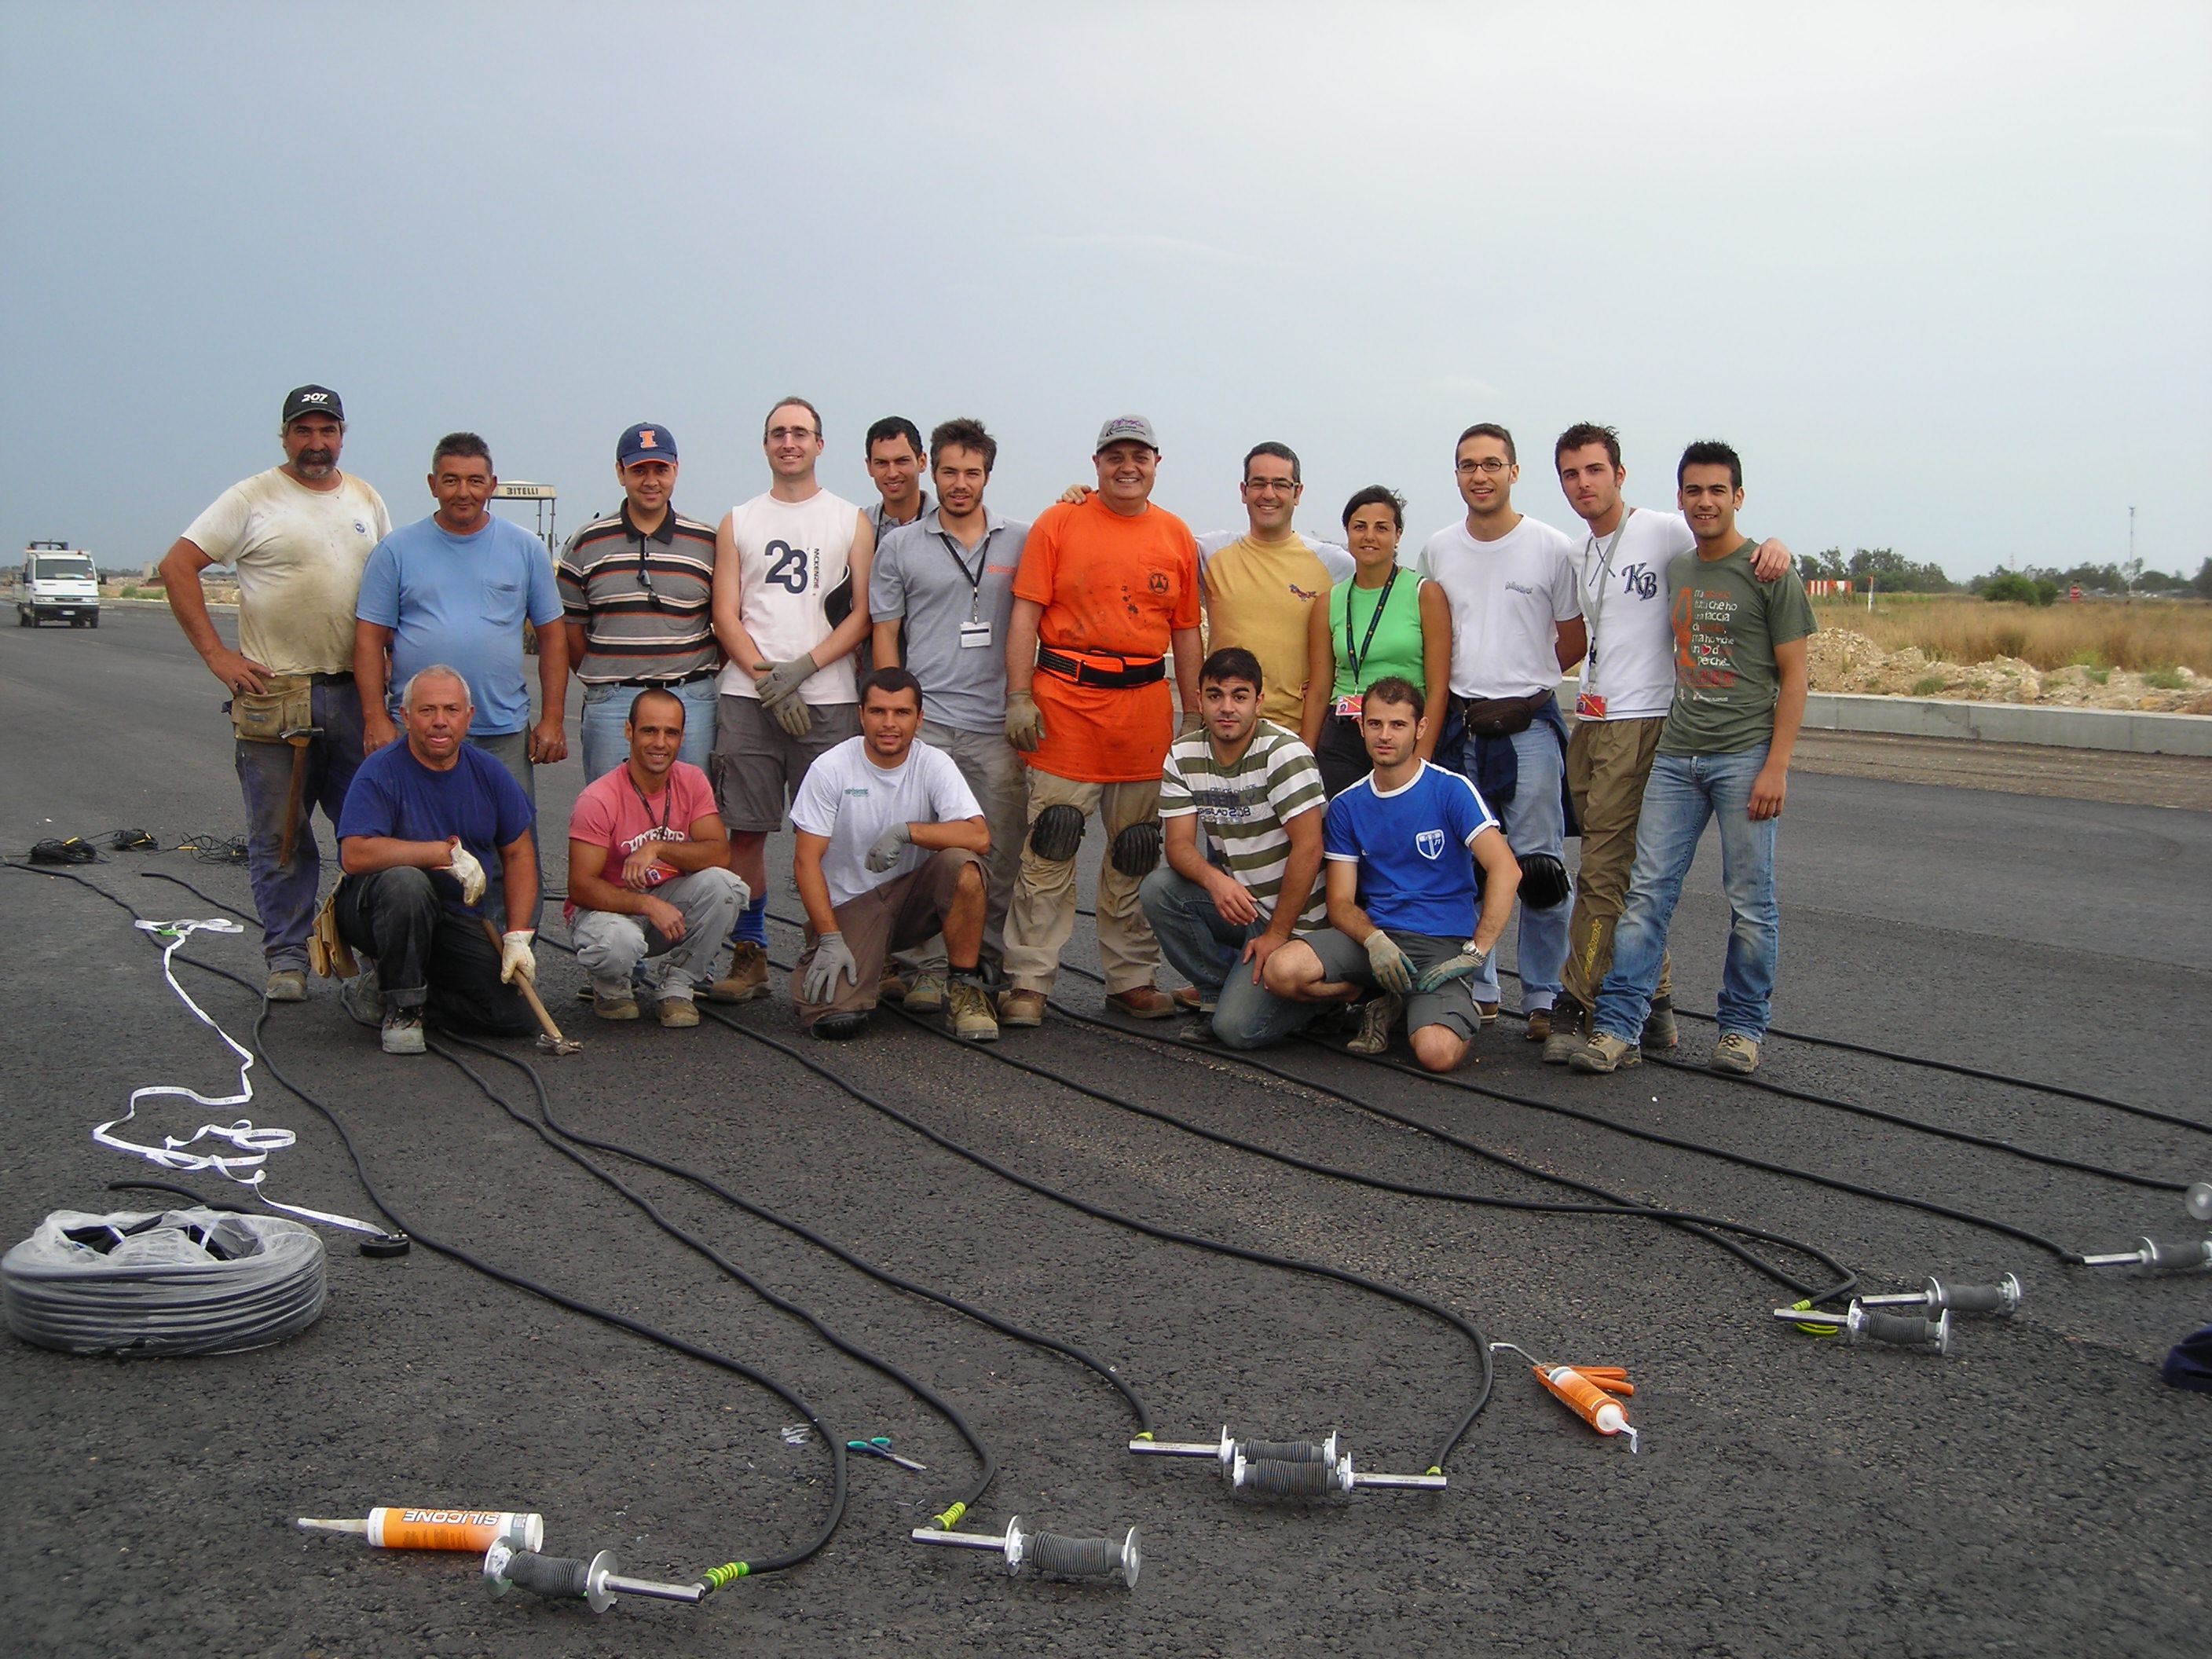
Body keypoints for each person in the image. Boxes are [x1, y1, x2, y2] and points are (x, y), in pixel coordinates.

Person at [1545, 423, 1793, 1063]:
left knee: (1603, 876)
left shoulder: (1663, 530)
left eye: (1594, 470)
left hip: (1654, 723)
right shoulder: (1576, 554)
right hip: (1594, 723)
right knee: (1638, 882)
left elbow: (1730, 548)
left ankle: (1581, 1003)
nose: (1583, 484)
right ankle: (1652, 1007)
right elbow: (1577, 640)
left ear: (1620, 475)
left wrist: (1778, 546)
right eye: (1570, 474)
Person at [160, 384, 393, 1002]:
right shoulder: (252, 497)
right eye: (303, 431)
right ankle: (287, 958)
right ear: (285, 436)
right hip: (276, 695)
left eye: (327, 431)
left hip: (354, 694)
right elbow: (177, 566)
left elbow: (388, 588)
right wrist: (217, 655)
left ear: (342, 434)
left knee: (370, 834)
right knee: (282, 837)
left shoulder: (365, 498)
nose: (316, 444)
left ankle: (378, 951)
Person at [999, 416, 1203, 1026]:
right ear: (1097, 463)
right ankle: (1029, 980)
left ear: (1156, 462)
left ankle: (1130, 978)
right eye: (1115, 455)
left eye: (1139, 455)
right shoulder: (1059, 522)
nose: (1127, 466)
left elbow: (1187, 631)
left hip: (1142, 712)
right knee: (1052, 839)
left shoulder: (1175, 534)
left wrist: (1190, 713)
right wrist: (1018, 696)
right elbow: (1025, 617)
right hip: (1064, 704)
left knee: (1137, 849)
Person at [1416, 422, 1585, 1040]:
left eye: (1492, 464)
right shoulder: (1438, 549)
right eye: (1468, 465)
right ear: (1456, 474)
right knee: (1466, 865)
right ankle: (1478, 984)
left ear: (1515, 472)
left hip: (1528, 727)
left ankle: (1542, 995)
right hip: (1461, 727)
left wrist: (1523, 683)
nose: (1480, 476)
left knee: (1540, 866)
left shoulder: (1551, 547)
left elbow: (1572, 639)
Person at [1262, 677, 1520, 1071]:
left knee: (1436, 1055)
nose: (1385, 735)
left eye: (1398, 725)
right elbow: (1341, 902)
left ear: (1420, 728)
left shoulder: (1451, 790)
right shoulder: (1348, 804)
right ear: (1361, 726)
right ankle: (1370, 997)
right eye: (1376, 723)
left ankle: (1439, 999)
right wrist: (1374, 939)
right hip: (1376, 943)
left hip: (1440, 945)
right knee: (1282, 972)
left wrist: (1477, 952)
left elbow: (1506, 869)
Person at [707, 397, 875, 1002]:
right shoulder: (739, 520)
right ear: (765, 444)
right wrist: (766, 679)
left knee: (828, 837)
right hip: (748, 698)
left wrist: (803, 669)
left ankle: (823, 951)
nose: (789, 442)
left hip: (828, 698)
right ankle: (749, 955)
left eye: (800, 432)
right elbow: (725, 613)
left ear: (819, 444)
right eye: (778, 433)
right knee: (746, 833)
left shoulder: (850, 520)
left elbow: (862, 614)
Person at [868, 416, 1028, 1005]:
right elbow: (886, 636)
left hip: (995, 728)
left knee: (998, 852)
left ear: (988, 475)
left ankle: (983, 963)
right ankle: (924, 966)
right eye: (950, 472)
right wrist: (896, 715)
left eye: (973, 472)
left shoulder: (1022, 539)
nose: (960, 484)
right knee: (922, 850)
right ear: (932, 473)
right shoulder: (900, 545)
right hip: (928, 723)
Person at [1064, 442, 1350, 731]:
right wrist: (1094, 502)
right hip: (1224, 726)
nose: (1268, 494)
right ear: (1243, 491)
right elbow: (1143, 537)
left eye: (1281, 484)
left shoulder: (1334, 563)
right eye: (1259, 483)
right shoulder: (1210, 552)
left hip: (1295, 732)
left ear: (1298, 493)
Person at [353, 432, 569, 808]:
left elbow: (553, 638)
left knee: (509, 845)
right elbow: (368, 640)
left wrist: (552, 718)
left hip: (500, 732)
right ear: (433, 484)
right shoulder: (395, 551)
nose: (463, 492)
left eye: (475, 480)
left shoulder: (525, 550)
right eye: (451, 480)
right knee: (417, 845)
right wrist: (375, 719)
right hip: (417, 732)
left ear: (492, 485)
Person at [333, 665, 539, 1055]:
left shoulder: (490, 773)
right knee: (408, 883)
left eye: (451, 710)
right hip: (375, 911)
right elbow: (355, 854)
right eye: (427, 711)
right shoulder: (380, 771)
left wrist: (517, 935)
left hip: (452, 918)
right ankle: (404, 1008)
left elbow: (519, 853)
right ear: (405, 717)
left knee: (514, 1017)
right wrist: (439, 854)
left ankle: (395, 989)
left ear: (470, 717)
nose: (440, 722)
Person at [788, 668, 996, 1042]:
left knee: (963, 865)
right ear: (860, 715)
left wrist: (908, 831)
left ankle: (965, 986)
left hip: (912, 901)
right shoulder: (830, 767)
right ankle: (872, 964)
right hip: (853, 907)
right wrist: (829, 936)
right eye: (878, 712)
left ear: (920, 719)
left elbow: (979, 835)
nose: (889, 724)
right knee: (835, 1023)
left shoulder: (934, 763)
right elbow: (805, 861)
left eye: (901, 713)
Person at [1139, 647, 1327, 1047]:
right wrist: (1215, 881)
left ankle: (1320, 1001)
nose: (1227, 708)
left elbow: (1309, 849)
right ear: (1198, 698)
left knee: (1238, 1032)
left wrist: (1278, 933)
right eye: (1215, 696)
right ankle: (1215, 992)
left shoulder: (1284, 753)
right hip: (1247, 907)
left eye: (1239, 696)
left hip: (1303, 921)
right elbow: (1178, 846)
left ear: (1259, 701)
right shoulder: (1184, 754)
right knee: (1159, 889)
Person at [564, 687, 749, 1027]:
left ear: (682, 737)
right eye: (649, 730)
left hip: (666, 905)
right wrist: (647, 905)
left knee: (727, 887)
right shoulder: (598, 798)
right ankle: (611, 985)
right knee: (618, 941)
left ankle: (679, 986)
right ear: (629, 731)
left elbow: (719, 852)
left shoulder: (692, 780)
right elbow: (580, 888)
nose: (660, 743)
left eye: (671, 733)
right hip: (607, 913)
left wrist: (658, 848)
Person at [556, 423, 722, 782]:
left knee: (690, 816)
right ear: (620, 472)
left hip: (689, 698)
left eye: (661, 470)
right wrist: (608, 676)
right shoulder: (586, 542)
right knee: (609, 816)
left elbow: (723, 622)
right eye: (639, 470)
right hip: (614, 702)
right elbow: (571, 630)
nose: (651, 481)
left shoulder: (708, 542)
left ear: (675, 469)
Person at [1301, 485, 1452, 799]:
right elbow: (1317, 691)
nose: (1370, 536)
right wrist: (1305, 759)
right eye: (1360, 527)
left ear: (1398, 535)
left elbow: (1438, 689)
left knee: (1397, 836)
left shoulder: (1425, 594)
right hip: (1342, 736)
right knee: (1342, 837)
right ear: (1348, 532)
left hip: (1400, 734)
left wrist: (1421, 759)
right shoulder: (1329, 603)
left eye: (1381, 528)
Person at [864, 416, 935, 540]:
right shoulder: (858, 527)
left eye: (902, 461)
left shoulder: (947, 524)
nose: (892, 473)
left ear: (922, 462)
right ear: (869, 467)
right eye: (882, 463)